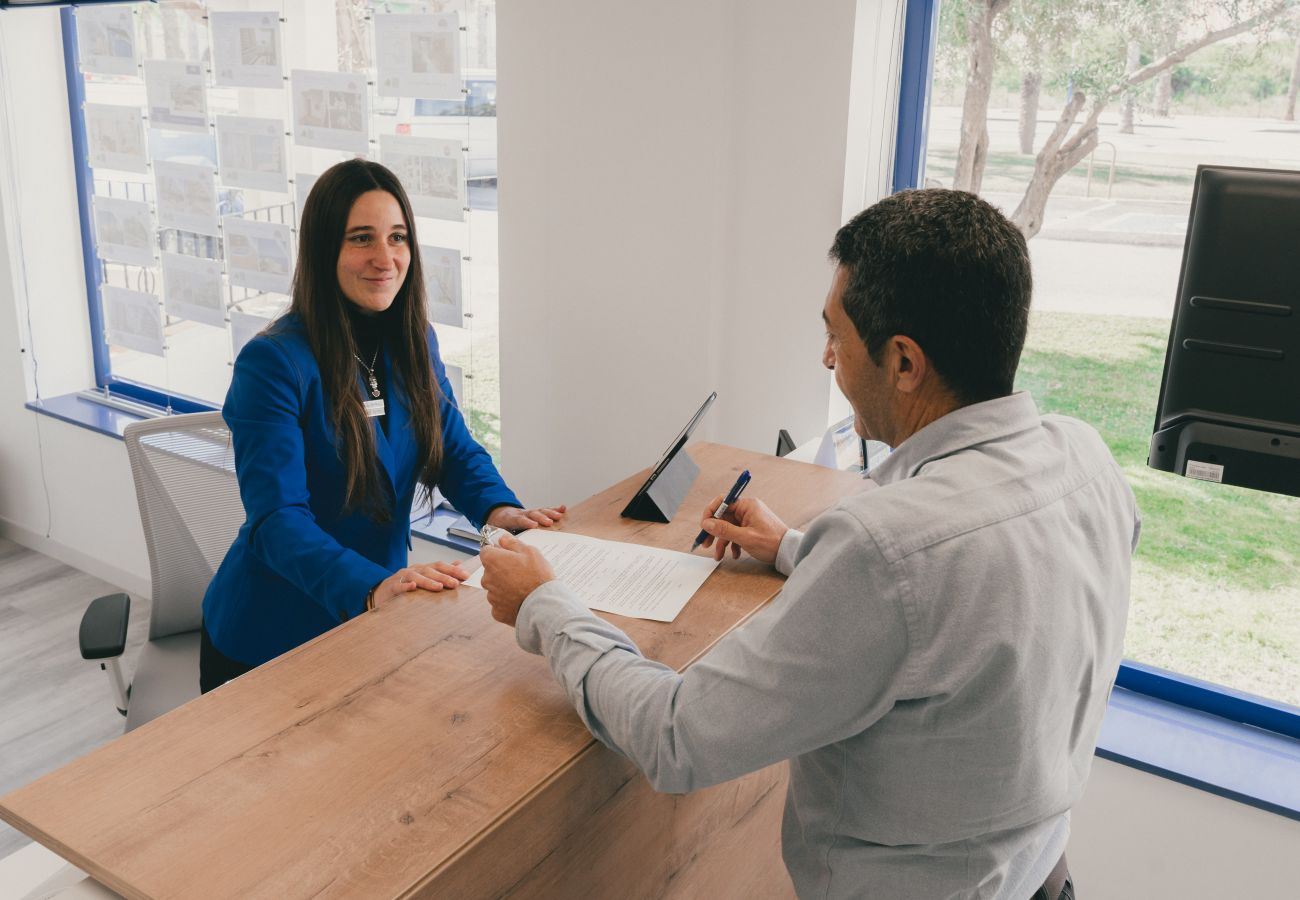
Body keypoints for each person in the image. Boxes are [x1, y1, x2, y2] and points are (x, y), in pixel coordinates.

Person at [478, 189, 1139, 899]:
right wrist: (795, 546)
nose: (827, 359)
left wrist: (543, 606)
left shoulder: (888, 548)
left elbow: (678, 738)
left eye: (837, 336)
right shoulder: (1086, 459)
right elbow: (964, 603)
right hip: (1044, 875)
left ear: (904, 362)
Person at [201, 159, 564, 693]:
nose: (384, 258)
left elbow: (452, 448)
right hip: (273, 636)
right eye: (361, 239)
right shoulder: (273, 362)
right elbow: (276, 520)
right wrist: (373, 586)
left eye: (397, 237)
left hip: (379, 615)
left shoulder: (413, 340)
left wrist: (499, 511)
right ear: (326, 251)